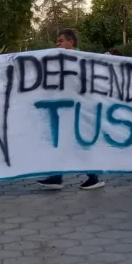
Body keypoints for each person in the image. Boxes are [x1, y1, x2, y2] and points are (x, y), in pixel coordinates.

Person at [36, 28, 105, 191]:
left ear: (71, 42)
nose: (57, 44)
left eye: (61, 40)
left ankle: (92, 177)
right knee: (62, 143)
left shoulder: (81, 60)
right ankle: (58, 177)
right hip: (65, 110)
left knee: (74, 144)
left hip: (77, 111)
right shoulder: (63, 60)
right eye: (57, 41)